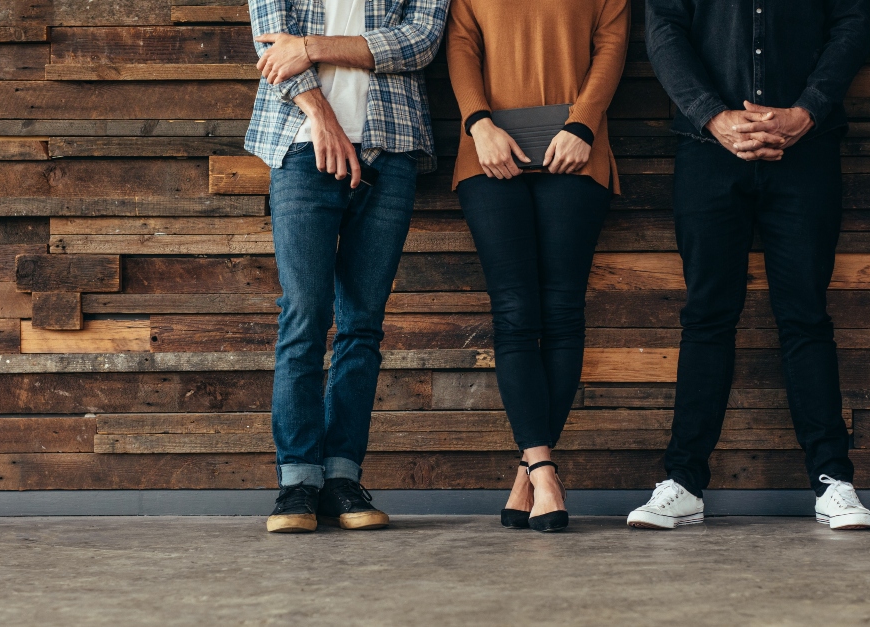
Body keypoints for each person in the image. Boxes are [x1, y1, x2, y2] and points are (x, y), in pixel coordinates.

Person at [630, 0, 870, 531]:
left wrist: (808, 109)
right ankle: (684, 483)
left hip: (807, 152)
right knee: (706, 316)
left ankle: (834, 482)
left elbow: (853, 21)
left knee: (806, 316)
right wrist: (711, 115)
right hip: (707, 150)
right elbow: (664, 28)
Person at [246, 0, 450, 533]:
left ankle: (341, 477)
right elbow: (271, 45)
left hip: (391, 147)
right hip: (299, 146)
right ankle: (298, 483)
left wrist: (310, 48)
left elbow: (420, 42)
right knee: (305, 315)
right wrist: (322, 116)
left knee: (361, 323)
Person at [445, 0, 630, 532]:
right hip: (487, 151)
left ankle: (531, 470)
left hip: (574, 147)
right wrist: (479, 124)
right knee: (515, 312)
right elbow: (460, 46)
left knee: (563, 310)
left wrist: (584, 125)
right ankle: (545, 471)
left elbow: (612, 47)